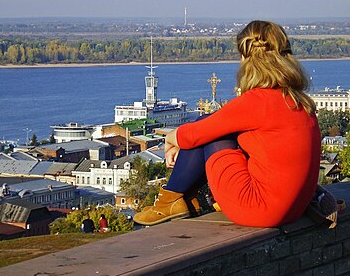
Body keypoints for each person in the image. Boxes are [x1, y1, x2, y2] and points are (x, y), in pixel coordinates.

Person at [134, 20, 321, 227]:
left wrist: (170, 139)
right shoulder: (298, 101)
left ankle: (170, 201)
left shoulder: (258, 101)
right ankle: (183, 199)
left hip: (257, 209)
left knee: (209, 126)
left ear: (246, 59)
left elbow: (194, 135)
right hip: (293, 210)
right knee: (215, 127)